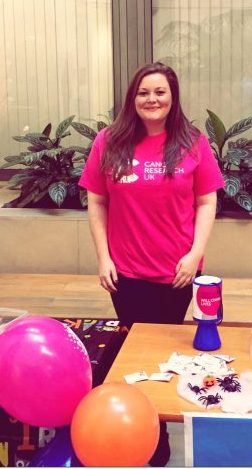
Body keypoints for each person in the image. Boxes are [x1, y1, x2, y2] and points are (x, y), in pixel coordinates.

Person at [79, 62, 224, 325]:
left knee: (166, 338)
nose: (152, 99)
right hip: (124, 270)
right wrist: (103, 258)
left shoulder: (193, 141)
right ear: (132, 99)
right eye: (143, 93)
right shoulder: (108, 141)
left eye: (160, 92)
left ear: (173, 97)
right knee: (133, 338)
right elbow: (97, 201)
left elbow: (206, 202)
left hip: (179, 269)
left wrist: (195, 255)